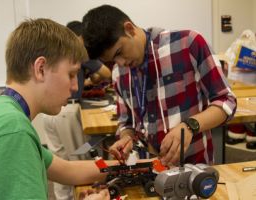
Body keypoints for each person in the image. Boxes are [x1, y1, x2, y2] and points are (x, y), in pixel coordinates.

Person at [0, 18, 110, 200]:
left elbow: (68, 170)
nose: (76, 86)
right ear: (41, 69)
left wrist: (137, 165)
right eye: (71, 74)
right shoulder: (11, 131)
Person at [82, 5, 237, 165]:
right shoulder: (119, 73)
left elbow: (226, 101)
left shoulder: (188, 44)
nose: (121, 63)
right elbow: (126, 121)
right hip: (147, 170)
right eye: (113, 60)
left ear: (129, 29)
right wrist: (126, 137)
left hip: (193, 169)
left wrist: (190, 126)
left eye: (119, 52)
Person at [42, 21, 111, 200]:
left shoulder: (58, 53)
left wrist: (86, 81)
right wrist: (91, 78)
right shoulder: (79, 53)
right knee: (80, 158)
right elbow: (106, 73)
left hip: (48, 115)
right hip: (67, 110)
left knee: (59, 162)